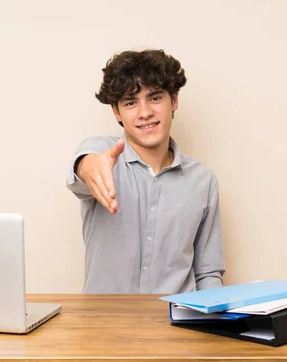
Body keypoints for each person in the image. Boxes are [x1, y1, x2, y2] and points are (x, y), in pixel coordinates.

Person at [66, 49, 225, 294]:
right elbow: (84, 169)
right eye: (130, 102)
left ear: (174, 100)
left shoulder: (202, 180)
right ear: (116, 112)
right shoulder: (101, 153)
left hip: (177, 323)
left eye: (155, 98)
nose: (145, 112)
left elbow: (208, 273)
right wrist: (89, 167)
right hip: (104, 326)